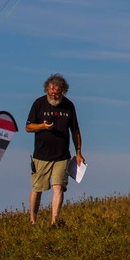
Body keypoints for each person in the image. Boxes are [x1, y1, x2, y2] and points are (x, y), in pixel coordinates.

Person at [25, 73, 84, 225]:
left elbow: (75, 130)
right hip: (41, 156)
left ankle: (54, 221)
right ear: (47, 89)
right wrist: (43, 126)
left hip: (62, 156)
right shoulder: (38, 104)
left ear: (62, 91)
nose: (53, 94)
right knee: (37, 189)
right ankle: (32, 221)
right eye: (51, 90)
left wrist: (79, 152)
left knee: (58, 188)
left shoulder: (69, 105)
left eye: (56, 92)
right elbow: (28, 127)